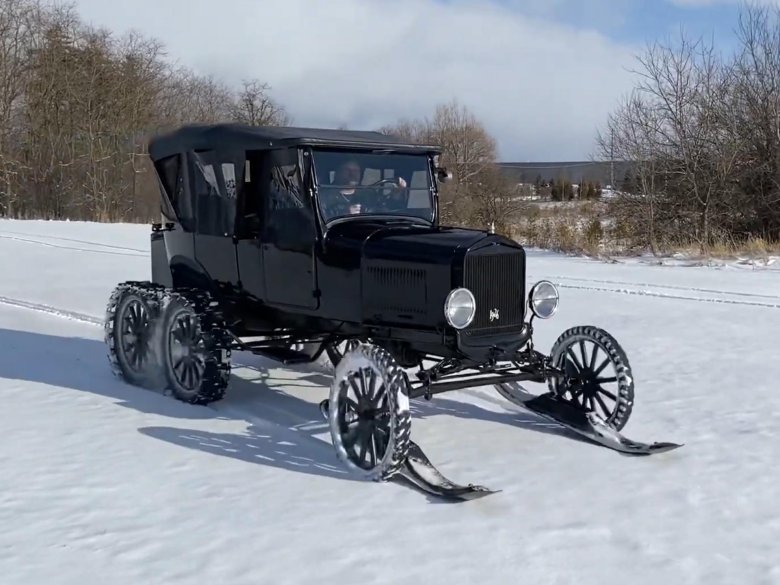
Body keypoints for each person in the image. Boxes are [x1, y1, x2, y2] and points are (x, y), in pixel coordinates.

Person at [321, 159, 407, 218]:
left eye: (356, 171)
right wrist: (344, 213)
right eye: (347, 170)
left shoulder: (369, 194)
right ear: (337, 173)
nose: (353, 174)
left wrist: (396, 194)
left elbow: (386, 211)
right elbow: (322, 220)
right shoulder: (324, 197)